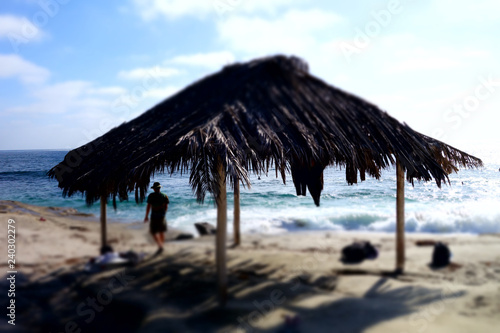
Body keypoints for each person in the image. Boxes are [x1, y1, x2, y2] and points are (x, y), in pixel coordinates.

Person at [144, 182, 170, 255]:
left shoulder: (151, 196)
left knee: (153, 232)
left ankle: (160, 245)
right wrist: (164, 213)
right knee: (161, 231)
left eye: (156, 188)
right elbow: (166, 206)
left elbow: (149, 206)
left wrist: (146, 216)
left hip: (154, 215)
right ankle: (161, 245)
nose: (157, 189)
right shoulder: (164, 196)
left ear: (154, 189)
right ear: (159, 188)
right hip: (161, 215)